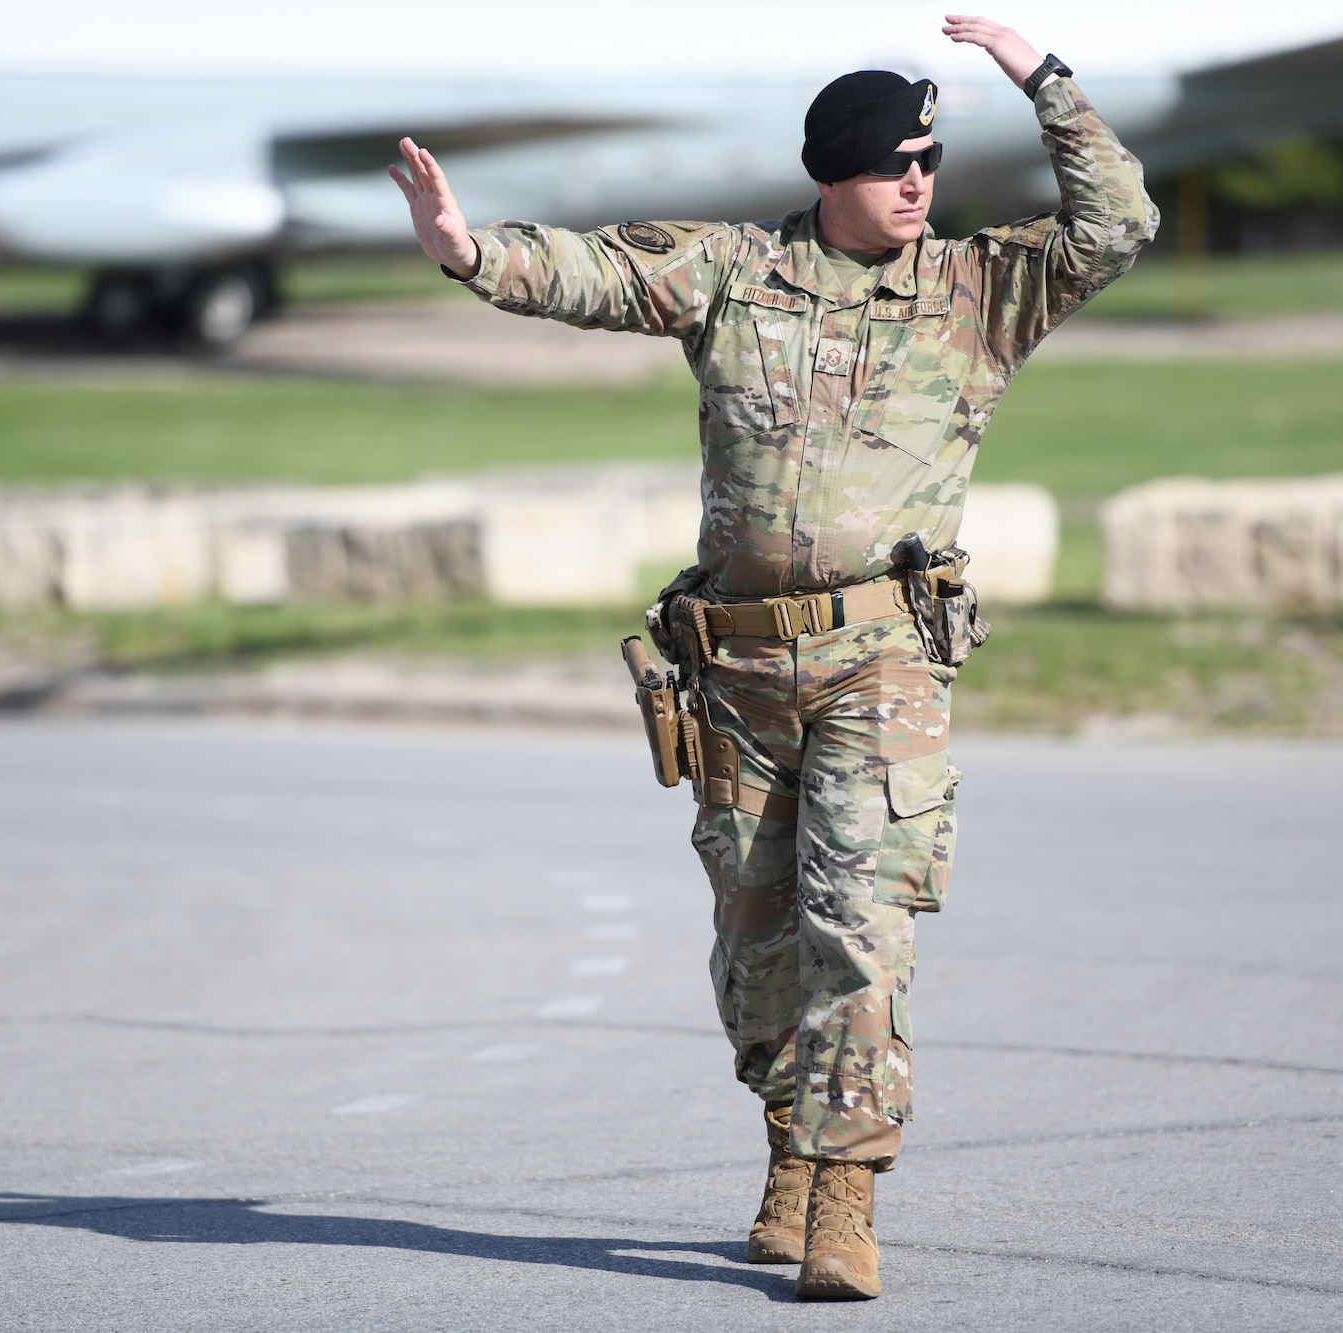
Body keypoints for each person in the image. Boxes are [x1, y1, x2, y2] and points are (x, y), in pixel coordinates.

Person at [390, 13, 1157, 1302]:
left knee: (857, 931)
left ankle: (847, 1199)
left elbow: (1117, 224)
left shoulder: (977, 292)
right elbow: (596, 273)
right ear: (831, 176)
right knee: (755, 951)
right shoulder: (735, 274)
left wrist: (1042, 78)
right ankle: (789, 1150)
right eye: (894, 162)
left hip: (882, 666)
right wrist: (470, 253)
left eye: (931, 156)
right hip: (736, 678)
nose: (921, 181)